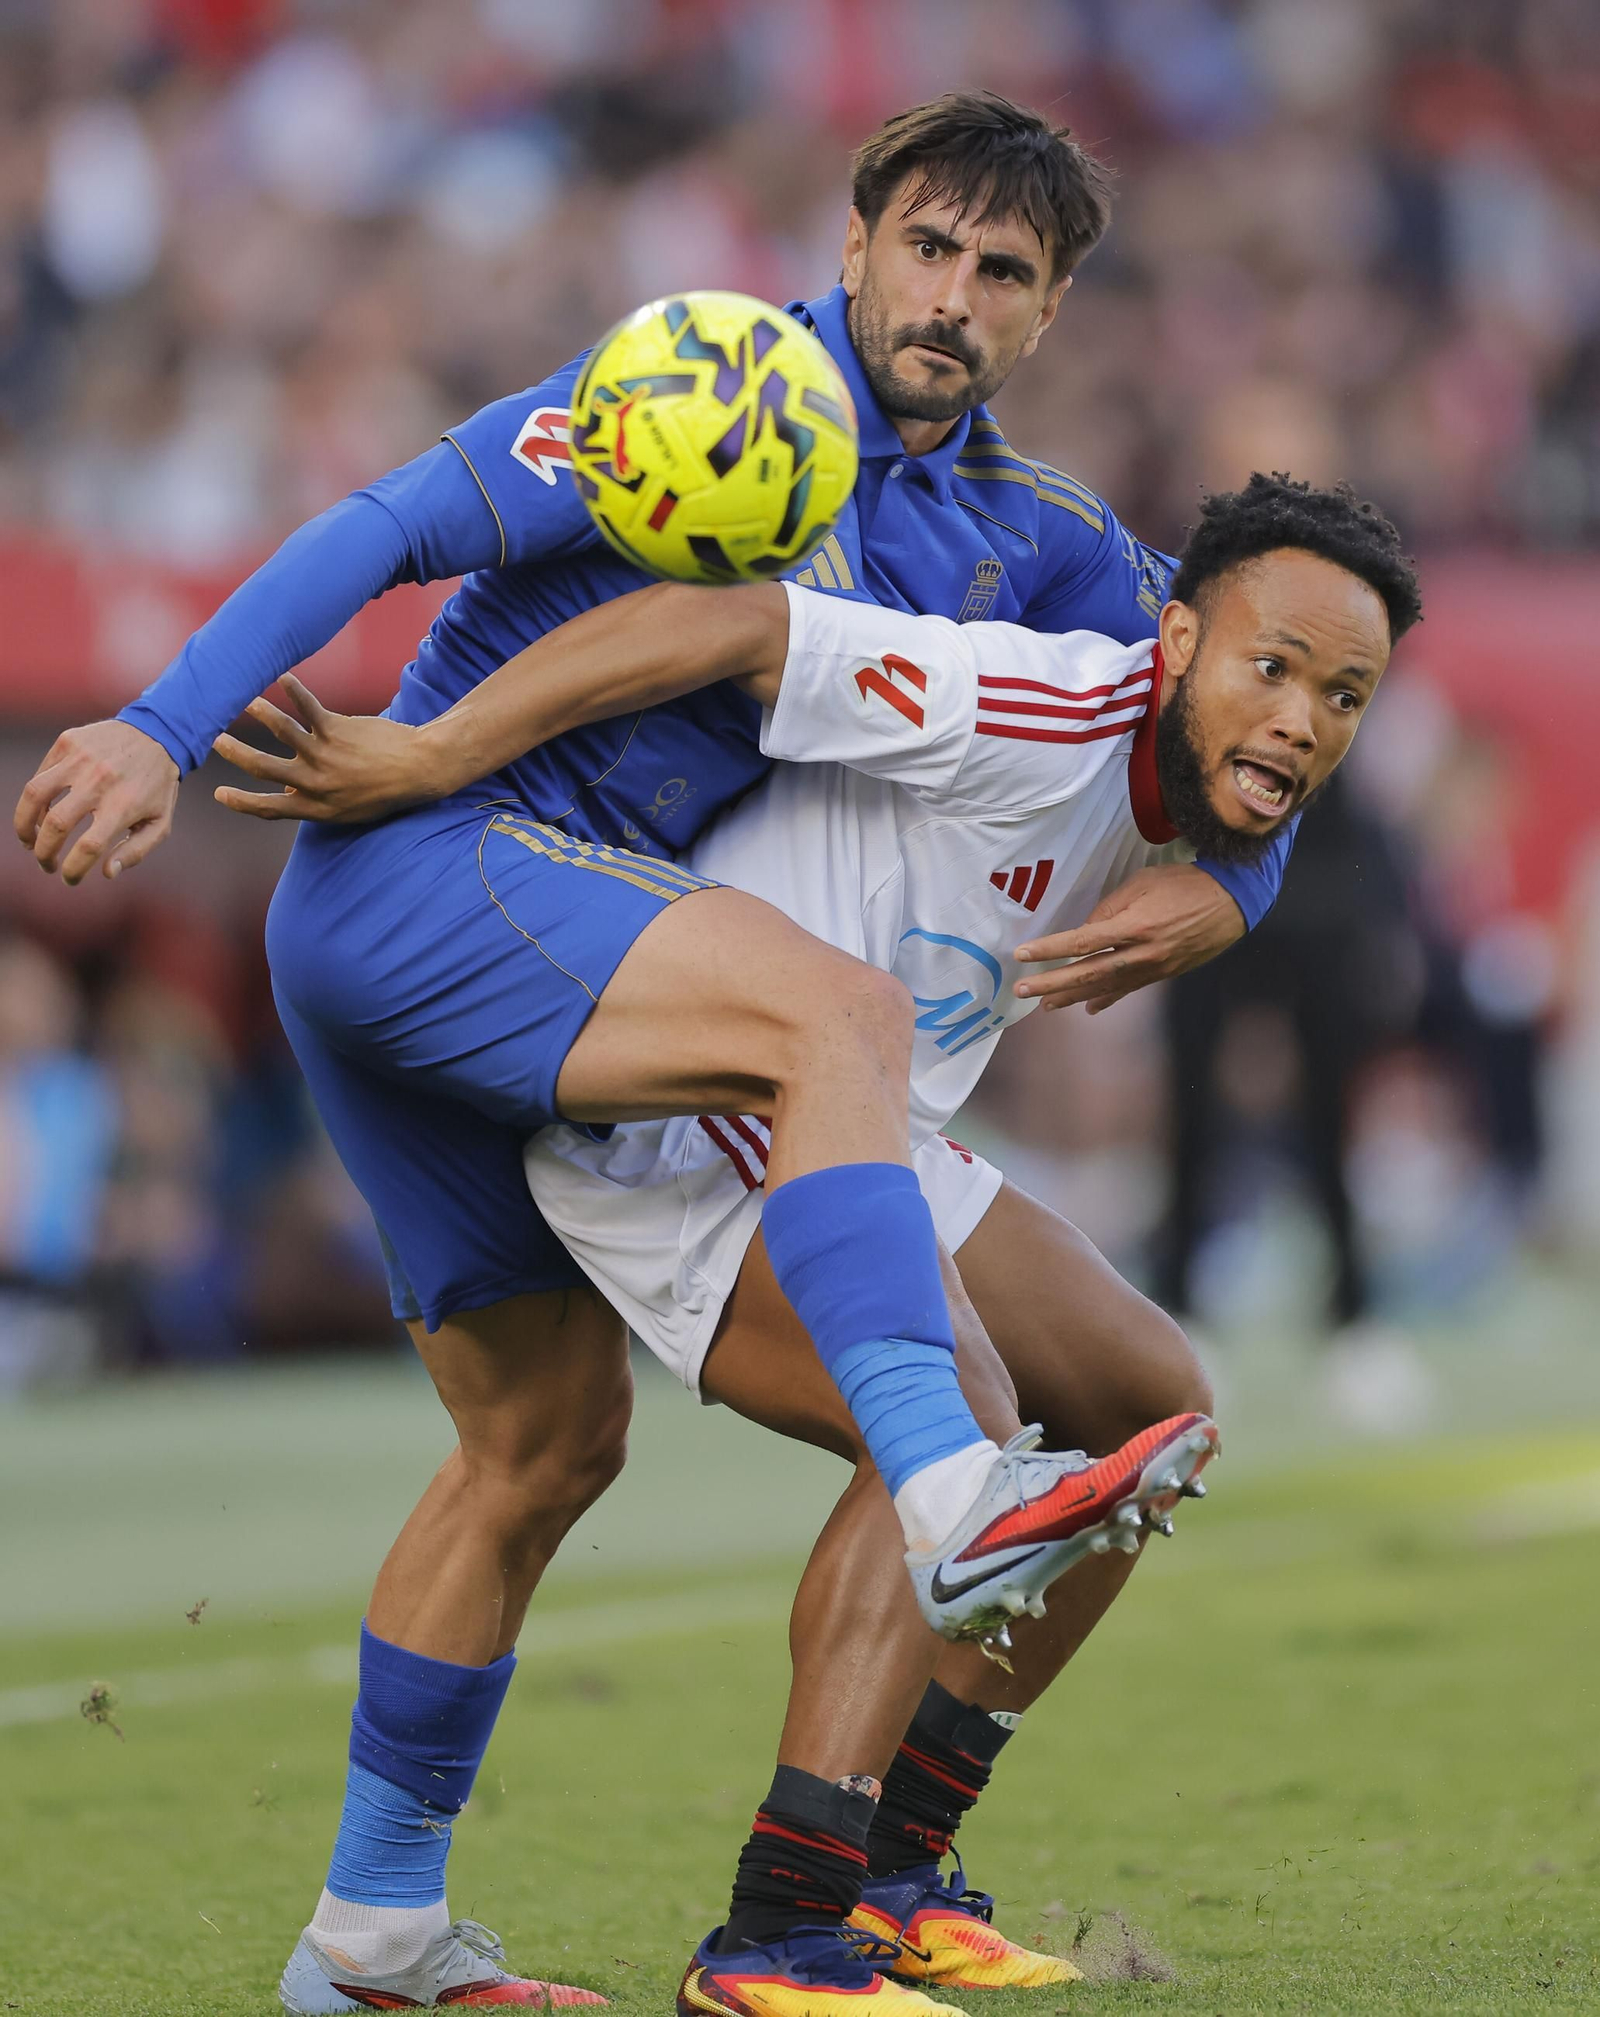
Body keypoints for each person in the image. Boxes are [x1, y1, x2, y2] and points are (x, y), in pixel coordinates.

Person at [16, 95, 1291, 2013]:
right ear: (853, 239)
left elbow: (1226, 687)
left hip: (526, 960)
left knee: (538, 1450)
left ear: (1049, 315)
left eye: (1002, 274)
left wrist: (1243, 888)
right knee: (830, 1020)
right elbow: (396, 521)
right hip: (418, 880)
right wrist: (156, 725)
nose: (952, 297)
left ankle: (369, 1944)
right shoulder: (702, 379)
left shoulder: (1036, 537)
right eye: (927, 247)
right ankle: (950, 1495)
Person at [221, 473, 1420, 2014]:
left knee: (1151, 1397)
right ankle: (776, 1935)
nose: (1305, 719)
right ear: (1175, 637)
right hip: (700, 1104)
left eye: (1345, 695)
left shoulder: (1205, 814)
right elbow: (739, 624)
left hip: (863, 1119)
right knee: (956, 1425)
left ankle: (897, 1875)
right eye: (1272, 668)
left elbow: (1248, 808)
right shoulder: (1030, 705)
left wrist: (1239, 891)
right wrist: (445, 745)